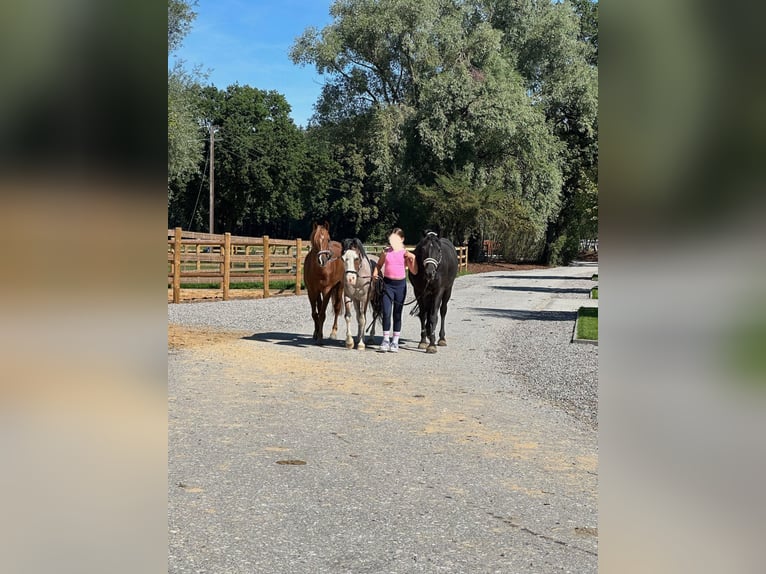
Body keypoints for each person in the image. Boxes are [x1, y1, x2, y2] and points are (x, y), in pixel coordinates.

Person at [371, 228, 418, 352]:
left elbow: (414, 271)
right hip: (387, 285)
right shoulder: (386, 252)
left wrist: (412, 258)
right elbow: (379, 265)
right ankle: (386, 339)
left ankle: (395, 341)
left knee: (397, 314)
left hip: (400, 286)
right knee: (386, 312)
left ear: (402, 239)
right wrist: (375, 273)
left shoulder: (405, 254)